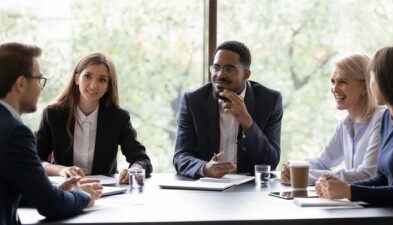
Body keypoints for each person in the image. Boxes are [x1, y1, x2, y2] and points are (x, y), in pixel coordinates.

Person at [0, 42, 103, 225]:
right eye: (39, 79)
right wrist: (82, 196)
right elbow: (52, 205)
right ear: (21, 83)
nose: (41, 88)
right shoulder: (15, 133)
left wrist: (52, 191)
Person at [35, 52, 152, 183]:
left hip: (105, 193)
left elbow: (142, 160)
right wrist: (61, 170)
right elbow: (34, 159)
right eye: (87, 76)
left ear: (108, 86)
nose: (93, 85)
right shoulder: (53, 115)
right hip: (66, 191)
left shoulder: (118, 118)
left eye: (102, 79)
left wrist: (133, 170)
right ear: (76, 79)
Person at [173, 40, 283, 178]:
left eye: (229, 69)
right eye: (216, 67)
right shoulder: (193, 101)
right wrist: (205, 168)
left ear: (246, 74)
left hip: (249, 190)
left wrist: (248, 123)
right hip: (206, 188)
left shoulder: (269, 101)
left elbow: (270, 162)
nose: (220, 74)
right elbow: (181, 156)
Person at [281, 54, 384, 185]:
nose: (334, 89)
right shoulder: (345, 125)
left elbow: (366, 175)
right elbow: (322, 162)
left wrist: (301, 175)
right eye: (333, 82)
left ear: (364, 87)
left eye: (343, 82)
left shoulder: (381, 120)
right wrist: (293, 167)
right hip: (354, 202)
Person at [316, 45, 393, 205]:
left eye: (372, 77)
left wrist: (350, 191)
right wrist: (341, 188)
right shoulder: (387, 121)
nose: (370, 84)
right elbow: (382, 178)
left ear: (386, 79)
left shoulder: (380, 117)